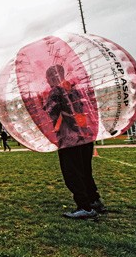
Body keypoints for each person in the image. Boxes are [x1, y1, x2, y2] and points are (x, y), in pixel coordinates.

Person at [43, 64, 105, 219]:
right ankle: (94, 200)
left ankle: (84, 207)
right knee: (85, 171)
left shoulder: (56, 91)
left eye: (48, 77)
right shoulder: (74, 89)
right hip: (84, 136)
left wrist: (43, 104)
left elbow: (50, 112)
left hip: (69, 139)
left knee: (72, 173)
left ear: (53, 77)